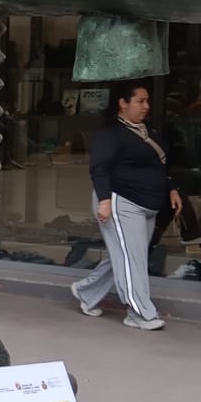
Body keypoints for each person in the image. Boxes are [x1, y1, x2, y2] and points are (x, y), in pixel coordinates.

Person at [72, 79, 181, 332]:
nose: (146, 106)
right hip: (121, 201)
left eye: (147, 101)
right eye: (140, 101)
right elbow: (99, 169)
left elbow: (161, 164)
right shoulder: (110, 134)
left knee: (127, 256)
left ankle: (86, 292)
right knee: (133, 260)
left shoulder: (149, 132)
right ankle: (140, 312)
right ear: (123, 104)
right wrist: (104, 201)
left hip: (148, 204)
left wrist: (173, 189)